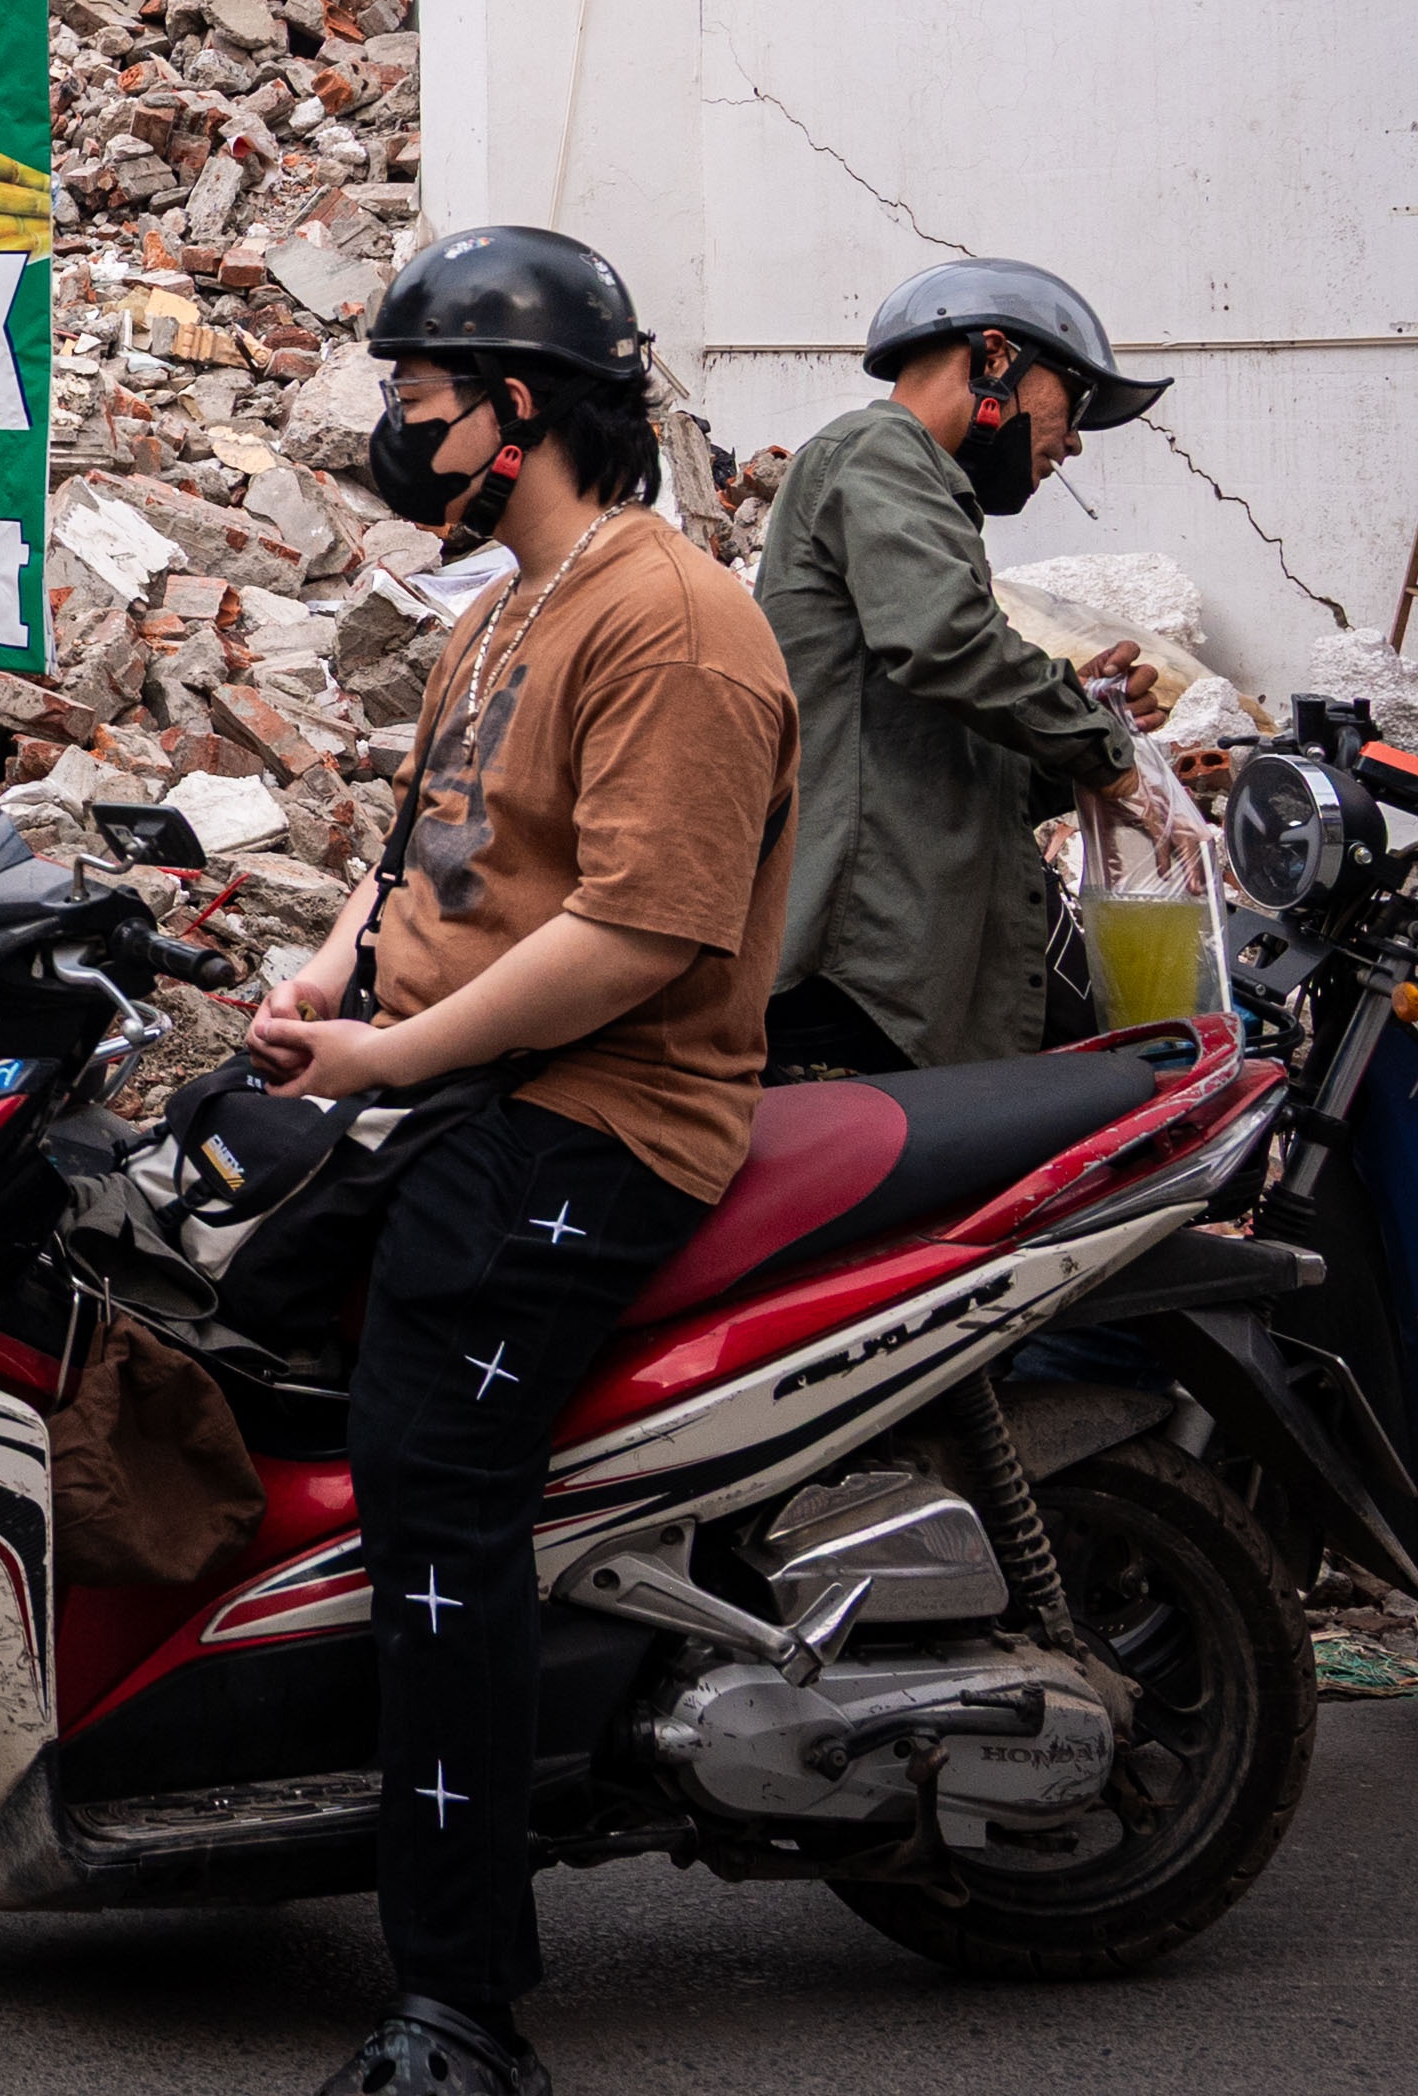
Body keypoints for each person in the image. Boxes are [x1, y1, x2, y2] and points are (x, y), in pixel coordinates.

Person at [247, 227, 793, 2096]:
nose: (394, 429)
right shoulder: (508, 603)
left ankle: (460, 2001)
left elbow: (640, 931)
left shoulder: (674, 624)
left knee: (432, 1479)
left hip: (602, 1109)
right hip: (468, 1083)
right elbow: (432, 852)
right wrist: (328, 971)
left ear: (515, 408)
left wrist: (392, 1052)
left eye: (417, 398)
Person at [759, 256, 1201, 1078]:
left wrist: (1083, 718)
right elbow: (947, 643)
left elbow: (947, 751)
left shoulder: (920, 496)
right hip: (859, 971)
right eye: (1072, 403)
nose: (1072, 441)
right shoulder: (877, 452)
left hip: (913, 971)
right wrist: (1104, 756)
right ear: (996, 355)